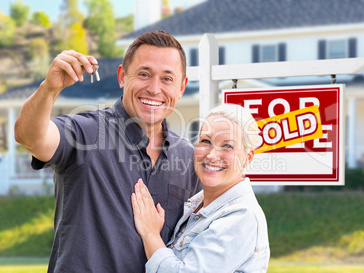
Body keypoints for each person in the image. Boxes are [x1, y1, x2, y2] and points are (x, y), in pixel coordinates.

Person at [14, 30, 202, 273]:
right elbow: (29, 136)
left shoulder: (188, 158)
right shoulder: (86, 133)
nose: (154, 89)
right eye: (144, 74)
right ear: (122, 76)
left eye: (167, 78)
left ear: (182, 87)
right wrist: (49, 89)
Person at [131, 104, 270, 272]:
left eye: (227, 146)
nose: (211, 155)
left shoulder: (241, 217)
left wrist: (151, 234)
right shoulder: (196, 205)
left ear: (247, 158)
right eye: (206, 141)